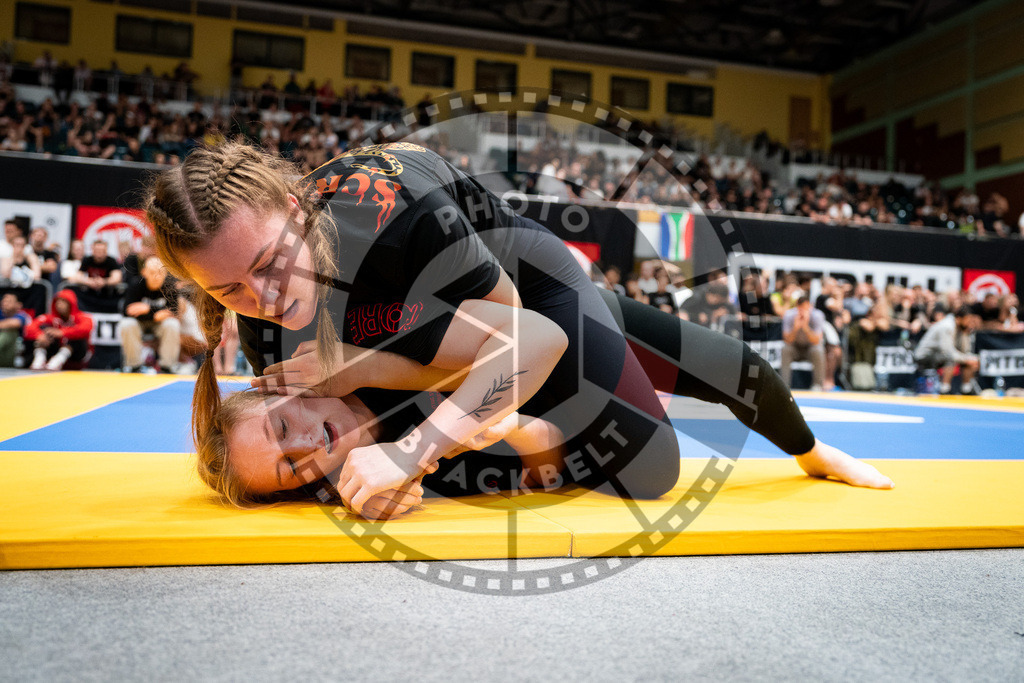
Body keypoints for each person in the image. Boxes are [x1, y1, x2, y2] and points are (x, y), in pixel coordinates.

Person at [144, 143, 893, 517]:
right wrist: (386, 480)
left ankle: (814, 449)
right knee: (479, 417)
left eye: (273, 263)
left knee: (653, 466)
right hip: (429, 341)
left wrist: (413, 444)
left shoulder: (393, 209)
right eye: (230, 289)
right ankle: (588, 369)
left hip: (525, 293)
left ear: (299, 207)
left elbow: (524, 341)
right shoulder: (263, 332)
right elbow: (308, 439)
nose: (266, 297)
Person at [118, 256, 181, 373]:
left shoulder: (170, 286)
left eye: (160, 272)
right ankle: (134, 366)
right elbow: (127, 312)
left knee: (172, 324)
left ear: (165, 273)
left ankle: (167, 366)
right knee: (126, 324)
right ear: (144, 273)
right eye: (152, 272)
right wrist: (155, 313)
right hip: (139, 323)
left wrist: (148, 309)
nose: (156, 276)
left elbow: (174, 310)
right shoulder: (135, 284)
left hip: (160, 324)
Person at [914, 305, 980, 395]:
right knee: (951, 359)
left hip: (939, 355)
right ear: (959, 318)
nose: (969, 323)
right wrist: (967, 359)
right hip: (924, 356)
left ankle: (966, 389)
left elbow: (965, 351)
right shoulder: (947, 326)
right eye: (968, 319)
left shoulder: (962, 328)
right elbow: (948, 352)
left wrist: (966, 334)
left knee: (970, 360)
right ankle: (944, 390)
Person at [24, 289, 93, 371]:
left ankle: (58, 360)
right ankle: (40, 358)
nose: (59, 305)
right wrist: (39, 335)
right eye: (57, 301)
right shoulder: (49, 318)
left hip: (77, 356)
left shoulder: (83, 317)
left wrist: (62, 332)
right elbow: (29, 327)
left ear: (71, 303)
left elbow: (85, 329)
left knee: (76, 336)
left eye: (63, 302)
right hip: (53, 352)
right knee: (45, 329)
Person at [780, 295, 826, 391]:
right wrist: (796, 328)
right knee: (785, 349)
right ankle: (784, 385)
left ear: (811, 306)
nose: (804, 312)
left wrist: (805, 327)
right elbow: (787, 340)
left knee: (818, 349)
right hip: (795, 348)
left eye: (807, 308)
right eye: (801, 309)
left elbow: (816, 340)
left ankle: (817, 385)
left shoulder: (817, 315)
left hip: (810, 348)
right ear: (797, 307)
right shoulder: (789, 315)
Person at [69, 239, 122, 311]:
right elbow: (77, 276)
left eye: (102, 251)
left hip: (108, 295)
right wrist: (88, 281)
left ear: (106, 251)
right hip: (90, 294)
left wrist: (104, 282)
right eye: (97, 251)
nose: (99, 254)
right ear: (93, 250)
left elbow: (117, 278)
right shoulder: (87, 260)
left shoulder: (111, 261)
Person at [0, 292, 31, 367]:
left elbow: (15, 323)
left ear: (19, 305)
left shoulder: (22, 315)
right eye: (4, 301)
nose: (5, 303)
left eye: (9, 301)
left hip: (17, 354)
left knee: (9, 332)